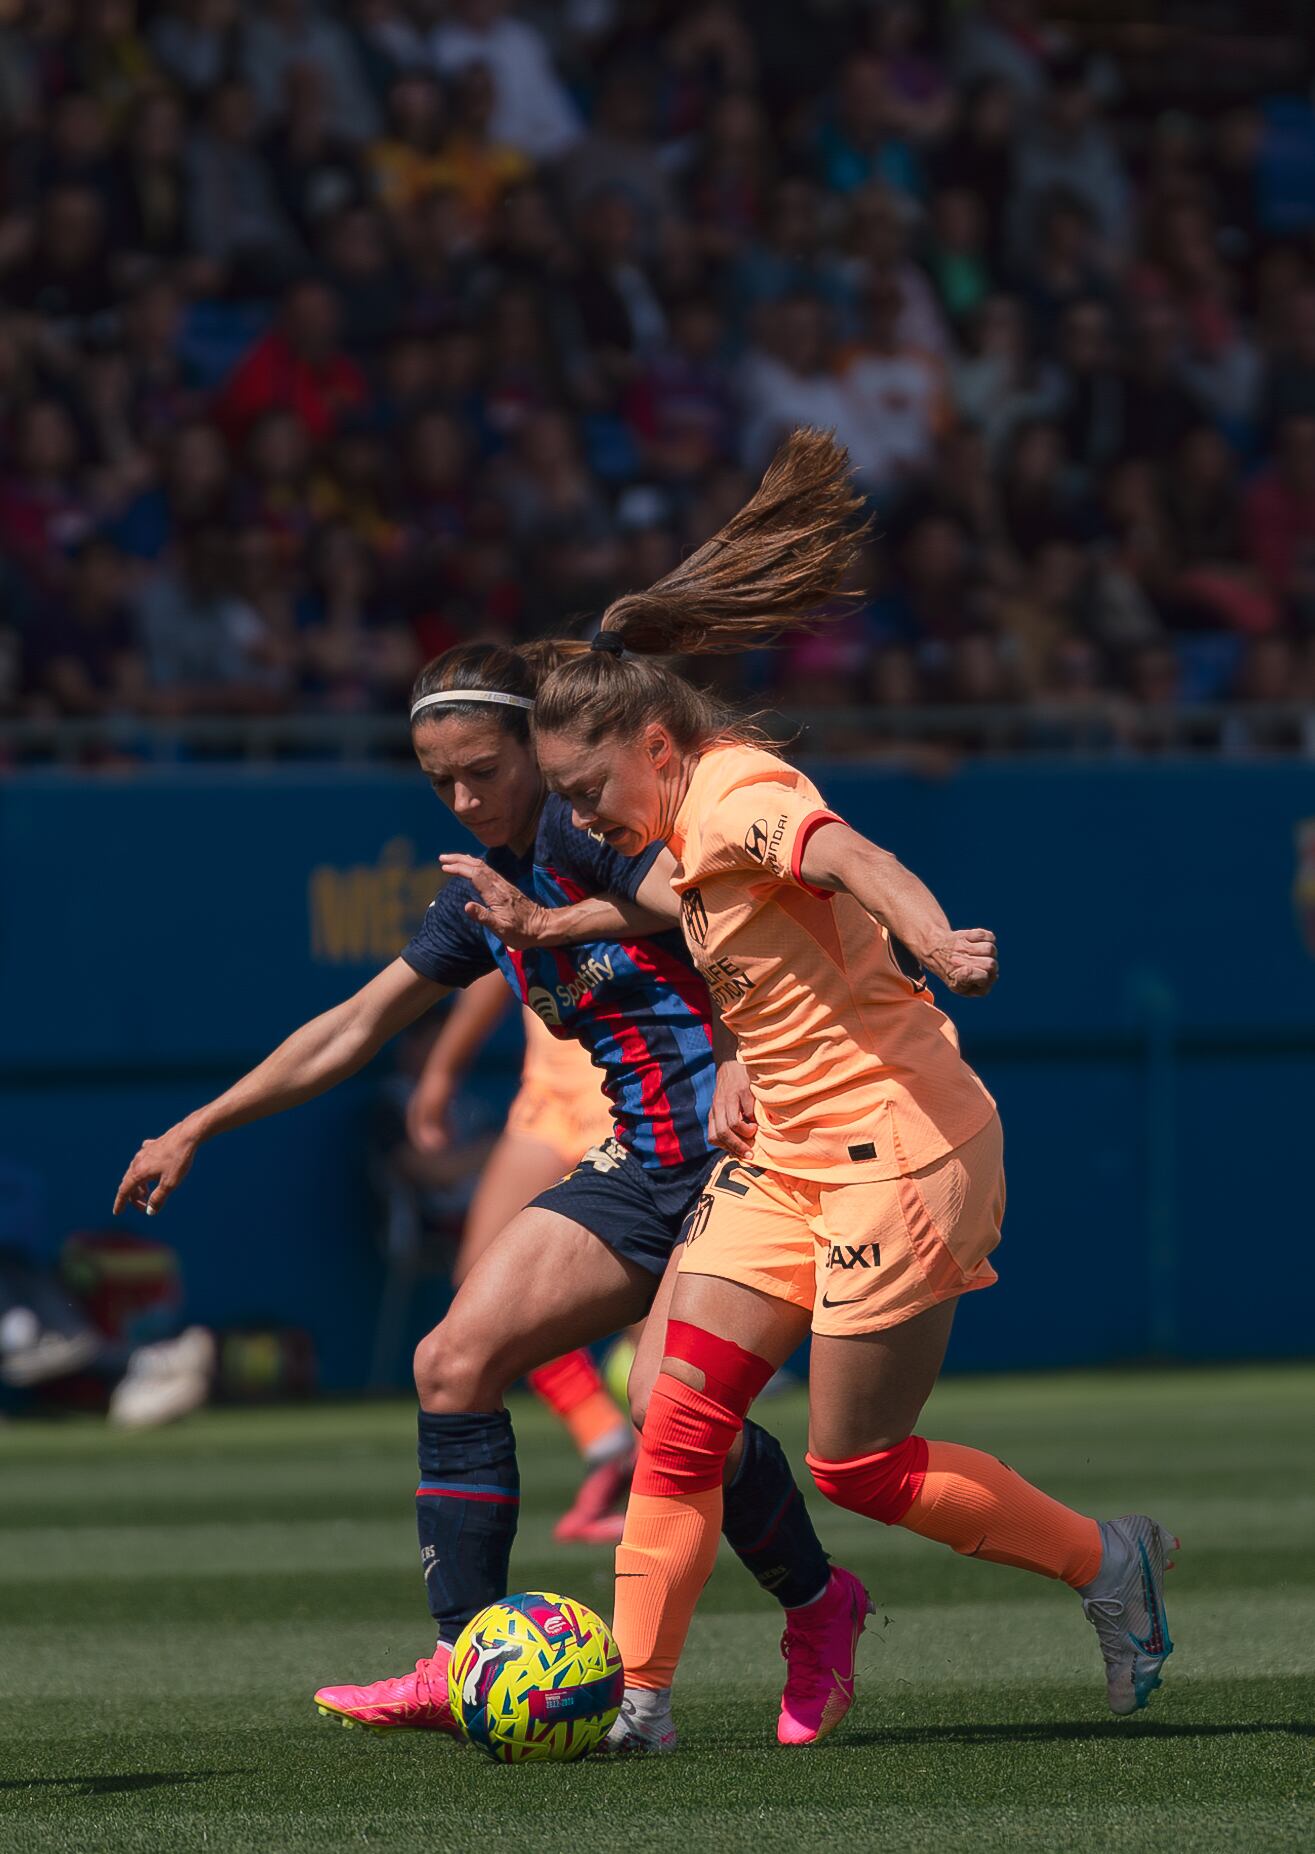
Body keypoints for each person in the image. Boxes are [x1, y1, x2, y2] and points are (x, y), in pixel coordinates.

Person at [519, 429, 1177, 1751]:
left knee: (854, 1465)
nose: (581, 815)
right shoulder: (669, 827)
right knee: (677, 1408)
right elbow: (711, 924)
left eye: (587, 789)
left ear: (655, 741)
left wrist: (935, 941)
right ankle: (639, 1698)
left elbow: (853, 857)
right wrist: (563, 938)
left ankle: (1106, 1562)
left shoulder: (737, 790)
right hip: (785, 1151)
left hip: (901, 1143)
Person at [112, 639, 854, 1744]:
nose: (463, 799)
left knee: (666, 1409)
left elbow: (704, 908)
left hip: (750, 1165)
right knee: (450, 1361)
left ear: (536, 750)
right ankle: (467, 1665)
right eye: (439, 781)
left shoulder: (582, 835)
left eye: (483, 771)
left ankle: (818, 1606)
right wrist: (197, 1126)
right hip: (641, 1165)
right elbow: (353, 1029)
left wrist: (741, 1040)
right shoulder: (482, 897)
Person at [406, 971, 635, 1541]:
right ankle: (605, 1438)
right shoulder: (501, 884)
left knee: (651, 1321)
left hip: (625, 1083)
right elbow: (493, 965)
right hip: (547, 1096)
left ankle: (670, 1490)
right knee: (479, 1287)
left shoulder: (623, 878)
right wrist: (441, 1070)